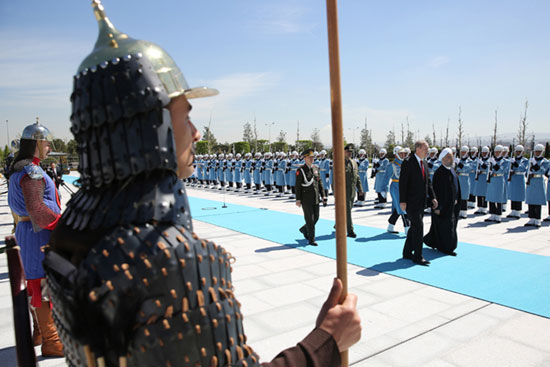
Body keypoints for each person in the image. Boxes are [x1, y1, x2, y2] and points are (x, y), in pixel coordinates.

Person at [43, 3, 361, 365]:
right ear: (149, 127)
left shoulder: (72, 229)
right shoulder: (171, 260)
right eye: (185, 117)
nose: (195, 133)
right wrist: (326, 342)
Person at [7, 120, 64, 357]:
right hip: (38, 234)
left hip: (30, 231)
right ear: (36, 144)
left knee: (36, 284)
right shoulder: (31, 171)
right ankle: (51, 340)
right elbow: (39, 210)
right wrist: (65, 226)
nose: (49, 146)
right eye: (46, 142)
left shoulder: (24, 168)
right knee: (42, 285)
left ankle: (39, 333)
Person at [399, 140, 438, 266]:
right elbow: (403, 183)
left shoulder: (424, 163)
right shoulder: (408, 163)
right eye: (425, 149)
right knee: (419, 227)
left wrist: (433, 197)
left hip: (421, 202)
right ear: (418, 149)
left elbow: (428, 182)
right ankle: (418, 256)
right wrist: (402, 201)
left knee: (415, 227)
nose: (428, 151)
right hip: (411, 202)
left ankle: (407, 252)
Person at [423, 148, 460, 256]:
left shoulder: (452, 170)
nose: (451, 158)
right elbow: (437, 192)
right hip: (443, 206)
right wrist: (438, 207)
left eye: (451, 156)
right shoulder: (440, 173)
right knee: (446, 227)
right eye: (448, 157)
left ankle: (435, 242)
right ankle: (447, 248)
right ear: (443, 159)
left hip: (452, 205)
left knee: (450, 226)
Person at [296, 149, 327, 246]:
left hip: (315, 197)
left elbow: (319, 183)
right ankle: (311, 239)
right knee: (310, 219)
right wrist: (298, 199)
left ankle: (304, 229)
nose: (312, 159)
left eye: (313, 157)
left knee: (316, 217)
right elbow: (298, 186)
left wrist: (323, 195)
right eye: (310, 157)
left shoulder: (315, 168)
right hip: (306, 198)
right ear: (305, 158)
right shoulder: (300, 170)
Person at [385, 146, 410, 234]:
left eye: (403, 153)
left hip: (405, 187)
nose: (403, 155)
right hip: (396, 187)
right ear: (396, 154)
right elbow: (386, 178)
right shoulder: (392, 165)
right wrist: (384, 189)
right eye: (400, 153)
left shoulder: (406, 163)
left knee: (398, 207)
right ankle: (407, 228)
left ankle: (390, 226)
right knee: (402, 207)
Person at [525, 144, 548, 227]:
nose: (537, 153)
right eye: (536, 151)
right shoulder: (531, 160)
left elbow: (542, 171)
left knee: (538, 201)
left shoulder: (545, 161)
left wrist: (535, 164)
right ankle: (531, 218)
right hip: (531, 181)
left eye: (539, 151)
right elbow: (526, 170)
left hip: (538, 181)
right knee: (531, 200)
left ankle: (537, 219)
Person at [485, 145, 510, 223]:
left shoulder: (506, 161)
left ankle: (498, 215)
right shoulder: (491, 160)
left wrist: (495, 164)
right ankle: (492, 214)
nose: (496, 153)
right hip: (492, 179)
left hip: (499, 179)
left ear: (502, 152)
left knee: (499, 197)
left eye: (498, 152)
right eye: (495, 152)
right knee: (491, 196)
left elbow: (502, 170)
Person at [344, 144, 363, 238]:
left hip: (352, 191)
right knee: (347, 211)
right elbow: (335, 180)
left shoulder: (354, 162)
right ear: (343, 152)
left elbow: (357, 176)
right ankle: (350, 231)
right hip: (343, 191)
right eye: (348, 151)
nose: (349, 153)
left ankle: (338, 224)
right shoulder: (339, 163)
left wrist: (360, 188)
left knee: (348, 209)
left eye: (351, 152)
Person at [507, 145, 528, 219]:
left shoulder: (524, 160)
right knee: (513, 194)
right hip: (513, 177)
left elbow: (522, 168)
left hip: (519, 178)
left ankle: (518, 211)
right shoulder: (512, 159)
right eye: (517, 151)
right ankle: (513, 210)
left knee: (518, 194)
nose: (518, 153)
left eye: (519, 151)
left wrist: (515, 163)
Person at [456, 146, 472, 219]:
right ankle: (459, 211)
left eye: (464, 152)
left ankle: (464, 212)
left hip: (465, 179)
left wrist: (459, 163)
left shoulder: (469, 161)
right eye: (461, 152)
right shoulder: (459, 160)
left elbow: (467, 168)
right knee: (459, 196)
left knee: (464, 196)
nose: (462, 153)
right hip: (459, 178)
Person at [473, 146, 491, 215]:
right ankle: (479, 207)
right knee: (479, 193)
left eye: (485, 153)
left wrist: (482, 163)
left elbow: (487, 168)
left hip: (485, 177)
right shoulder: (479, 159)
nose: (484, 154)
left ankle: (484, 208)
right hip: (480, 177)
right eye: (483, 153)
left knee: (485, 193)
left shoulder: (489, 160)